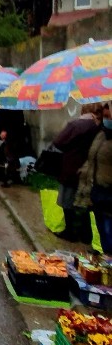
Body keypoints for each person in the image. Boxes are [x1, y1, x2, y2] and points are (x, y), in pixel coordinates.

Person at [53, 104, 102, 243]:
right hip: (88, 168)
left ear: (83, 110)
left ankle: (70, 232)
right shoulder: (98, 128)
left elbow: (58, 141)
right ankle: (86, 235)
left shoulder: (76, 124)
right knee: (83, 202)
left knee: (67, 201)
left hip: (71, 166)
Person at [76, 104, 112, 253]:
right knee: (102, 230)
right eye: (105, 117)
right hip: (97, 192)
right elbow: (93, 158)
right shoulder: (102, 134)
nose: (106, 120)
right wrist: (84, 171)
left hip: (110, 194)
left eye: (109, 117)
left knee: (109, 232)